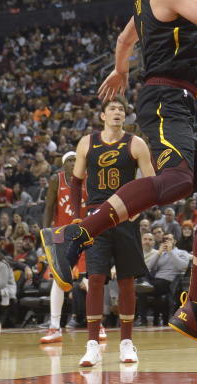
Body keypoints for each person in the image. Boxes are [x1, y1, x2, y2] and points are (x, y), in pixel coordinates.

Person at [40, 0, 197, 353]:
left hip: (181, 104)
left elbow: (124, 38)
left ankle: (196, 310)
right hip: (165, 100)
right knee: (177, 181)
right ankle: (73, 236)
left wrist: (120, 69)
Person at [72, 96, 155, 367]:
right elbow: (75, 182)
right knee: (94, 278)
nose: (118, 112)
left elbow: (152, 183)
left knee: (127, 280)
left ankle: (127, 343)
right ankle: (93, 344)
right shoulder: (87, 142)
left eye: (122, 109)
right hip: (96, 216)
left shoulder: (136, 143)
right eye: (113, 109)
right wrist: (76, 217)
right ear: (103, 116)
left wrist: (137, 211)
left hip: (124, 216)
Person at [39, 150, 87, 344]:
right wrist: (45, 234)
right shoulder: (56, 180)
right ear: (63, 164)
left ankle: (97, 324)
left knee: (92, 279)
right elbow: (49, 208)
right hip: (62, 237)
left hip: (86, 234)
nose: (73, 162)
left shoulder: (89, 179)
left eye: (76, 160)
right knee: (58, 281)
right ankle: (55, 327)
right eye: (70, 160)